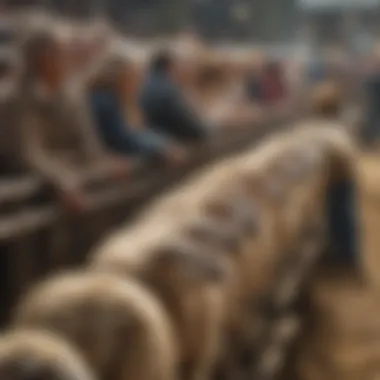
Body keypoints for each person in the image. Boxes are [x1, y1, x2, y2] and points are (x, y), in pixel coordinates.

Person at [18, 29, 130, 213]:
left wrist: (103, 162)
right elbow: (29, 153)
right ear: (41, 58)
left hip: (74, 183)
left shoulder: (72, 97)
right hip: (40, 192)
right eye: (59, 53)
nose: (66, 59)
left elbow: (85, 142)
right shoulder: (17, 100)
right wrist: (62, 179)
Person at [89, 55, 187, 165]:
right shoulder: (104, 101)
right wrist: (161, 149)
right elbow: (123, 140)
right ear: (119, 77)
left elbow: (140, 132)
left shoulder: (117, 98)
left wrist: (164, 145)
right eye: (134, 78)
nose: (138, 84)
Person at [140, 49, 209, 143]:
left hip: (156, 136)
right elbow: (189, 126)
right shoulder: (167, 90)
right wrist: (208, 130)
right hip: (167, 140)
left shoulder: (146, 84)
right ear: (169, 66)